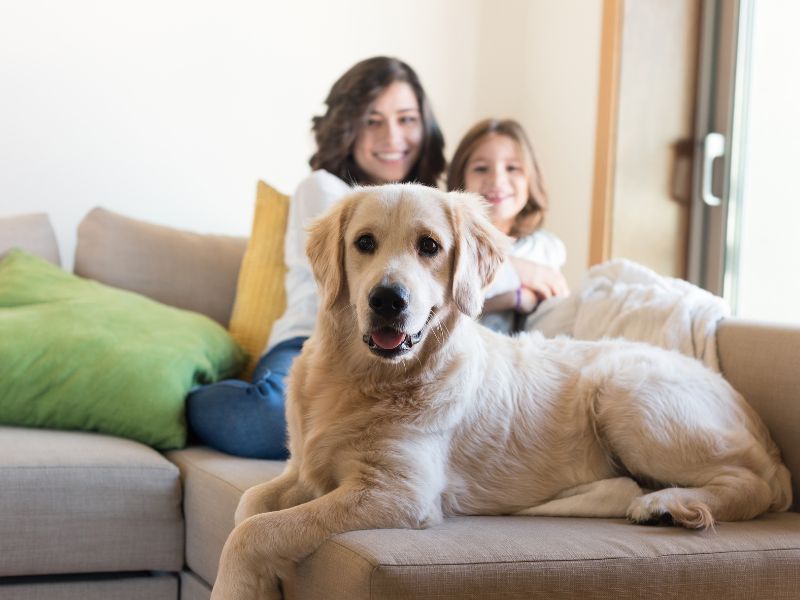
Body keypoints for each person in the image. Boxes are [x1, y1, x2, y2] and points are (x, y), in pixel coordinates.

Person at [187, 57, 446, 459]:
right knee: (272, 416)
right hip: (308, 340)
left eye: (407, 119)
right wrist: (521, 279)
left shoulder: (437, 208)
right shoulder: (325, 190)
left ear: (424, 126)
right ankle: (181, 399)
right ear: (347, 125)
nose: (392, 136)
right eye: (372, 120)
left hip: (400, 346)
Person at [447, 118, 569, 333]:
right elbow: (448, 305)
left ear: (531, 180)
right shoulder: (446, 244)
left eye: (512, 168)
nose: (496, 180)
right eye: (481, 168)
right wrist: (514, 297)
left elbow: (555, 312)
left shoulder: (543, 248)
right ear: (460, 178)